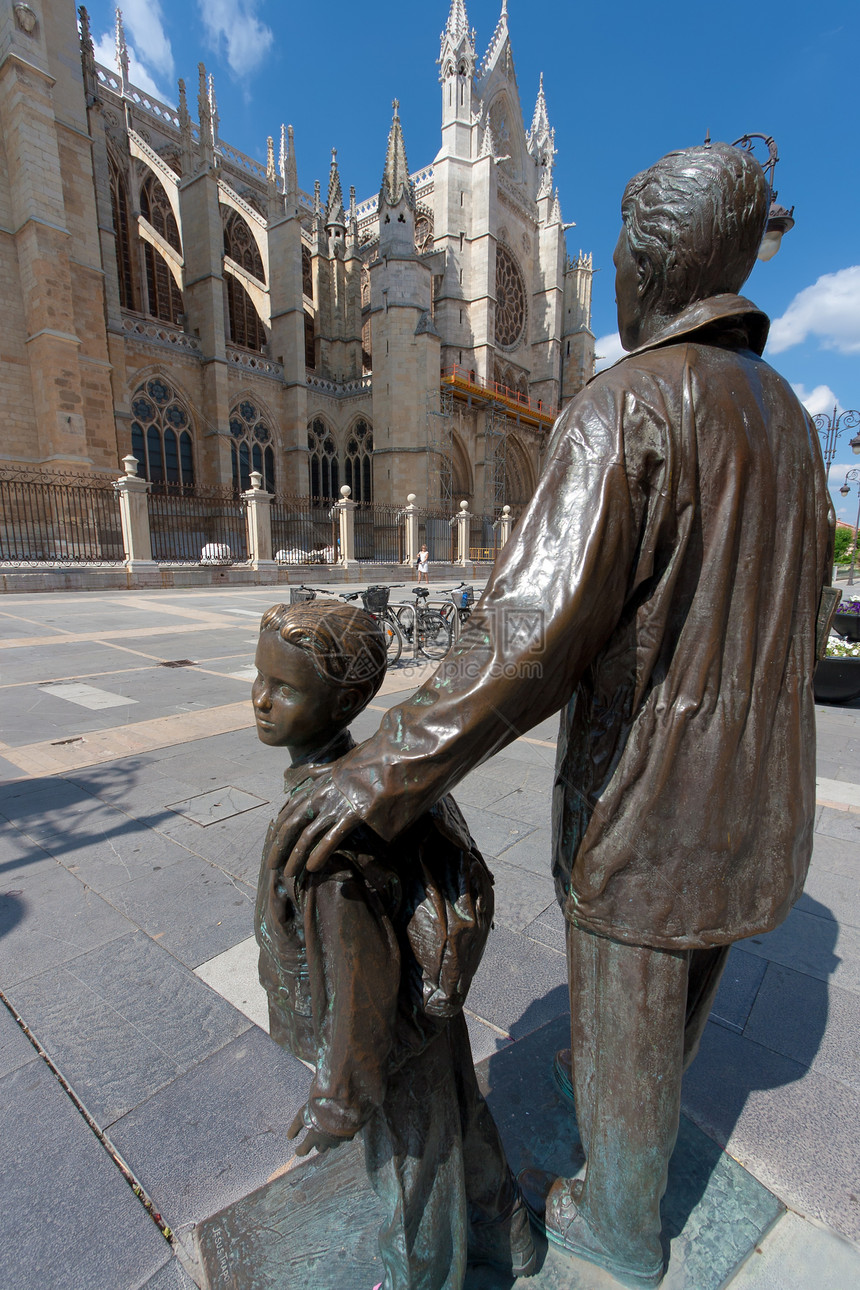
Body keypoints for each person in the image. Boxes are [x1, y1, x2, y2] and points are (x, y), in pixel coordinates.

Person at [268, 144, 833, 1288]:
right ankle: (625, 1098)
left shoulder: (624, 405)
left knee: (635, 993)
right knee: (674, 997)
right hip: (761, 799)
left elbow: (522, 640)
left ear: (647, 266)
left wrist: (381, 770)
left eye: (619, 257)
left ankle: (616, 1216)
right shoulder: (791, 420)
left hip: (647, 809)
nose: (609, 278)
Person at [251, 599, 534, 1290]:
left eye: (285, 688)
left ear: (343, 698)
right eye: (259, 678)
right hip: (427, 1008)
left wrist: (339, 1096)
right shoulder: (384, 772)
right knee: (459, 1118)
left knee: (412, 1173)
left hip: (389, 1038)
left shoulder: (327, 833)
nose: (260, 700)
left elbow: (359, 982)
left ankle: (422, 1279)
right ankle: (511, 1240)